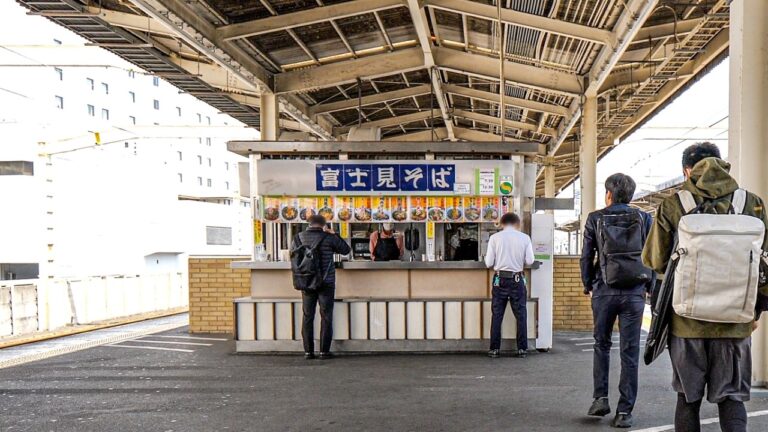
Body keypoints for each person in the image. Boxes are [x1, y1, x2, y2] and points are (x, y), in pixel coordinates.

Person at [642, 142, 768, 432]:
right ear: (721, 164)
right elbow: (765, 265)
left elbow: (654, 260)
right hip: (735, 323)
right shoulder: (752, 203)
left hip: (686, 322)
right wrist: (756, 312)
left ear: (687, 171)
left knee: (688, 399)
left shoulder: (674, 204)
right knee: (731, 399)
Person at [581, 173, 653, 429]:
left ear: (608, 194)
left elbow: (586, 255)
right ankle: (624, 412)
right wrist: (649, 288)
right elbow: (652, 256)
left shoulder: (596, 218)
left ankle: (600, 398)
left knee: (601, 344)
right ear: (631, 195)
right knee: (629, 351)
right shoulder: (644, 218)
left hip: (604, 290)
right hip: (634, 293)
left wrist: (588, 284)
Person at [291, 215, 351, 360]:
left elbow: (293, 257)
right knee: (326, 316)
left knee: (307, 317)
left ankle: (308, 352)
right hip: (326, 282)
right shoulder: (328, 237)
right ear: (324, 225)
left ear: (309, 224)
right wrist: (333, 233)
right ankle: (324, 351)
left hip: (307, 281)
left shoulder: (298, 238)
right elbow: (345, 250)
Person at [484, 212, 534, 359]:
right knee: (521, 315)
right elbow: (530, 261)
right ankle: (522, 349)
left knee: (497, 315)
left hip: (499, 280)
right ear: (517, 223)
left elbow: (488, 263)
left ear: (501, 223)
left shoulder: (494, 238)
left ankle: (494, 349)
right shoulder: (525, 238)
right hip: (517, 279)